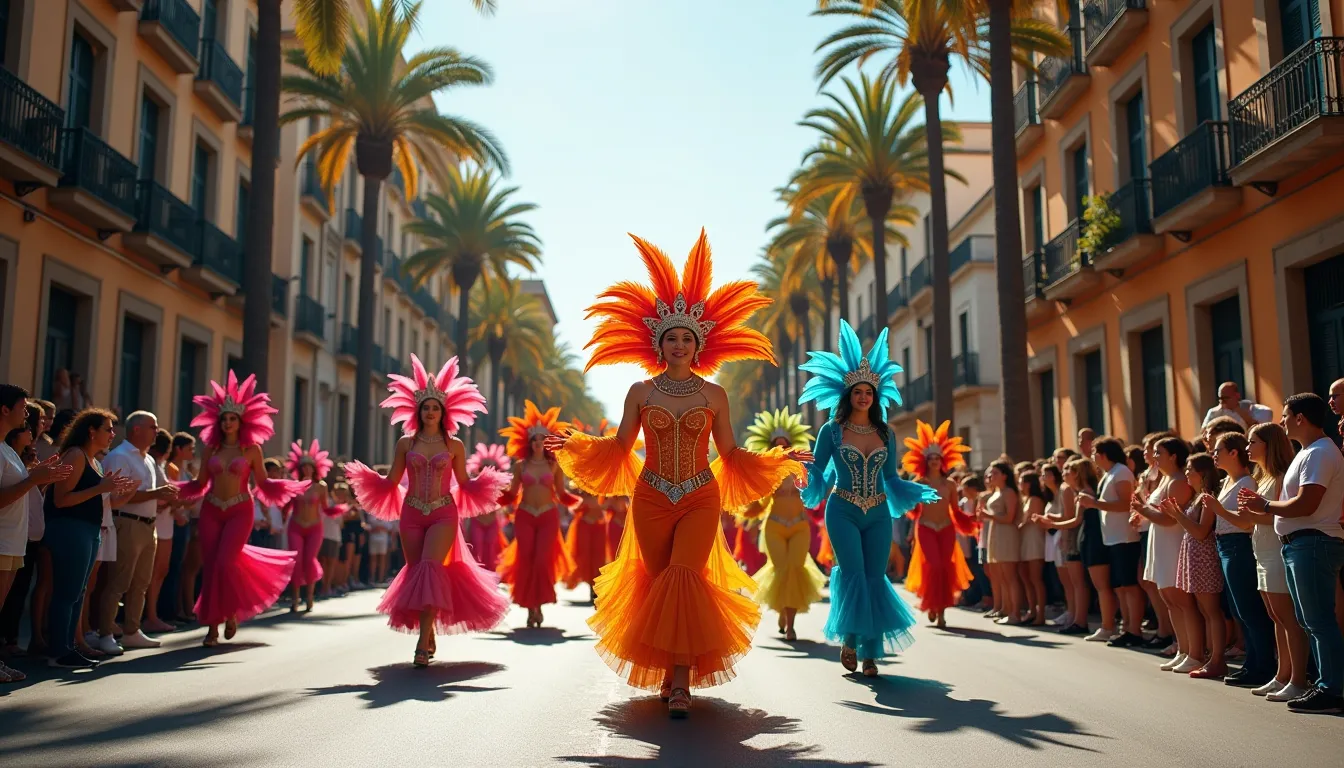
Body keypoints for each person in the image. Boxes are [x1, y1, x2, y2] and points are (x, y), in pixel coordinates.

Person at [546, 231, 807, 717]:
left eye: (688, 338)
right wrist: (577, 445)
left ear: (699, 344)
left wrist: (778, 459)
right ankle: (669, 671)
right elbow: (622, 446)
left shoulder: (714, 396)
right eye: (673, 338)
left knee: (686, 576)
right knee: (658, 579)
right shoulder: (640, 391)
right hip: (649, 497)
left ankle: (683, 681)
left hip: (700, 496)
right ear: (659, 345)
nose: (681, 344)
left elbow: (729, 451)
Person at [344, 356, 510, 667]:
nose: (430, 411)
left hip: (444, 513)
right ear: (417, 411)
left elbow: (463, 482)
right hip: (411, 514)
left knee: (431, 568)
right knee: (416, 573)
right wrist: (366, 479)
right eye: (425, 407)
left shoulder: (455, 445)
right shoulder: (406, 444)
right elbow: (392, 480)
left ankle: (422, 643)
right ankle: (428, 628)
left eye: (435, 406)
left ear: (444, 411)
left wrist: (489, 485)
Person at [797, 319, 935, 676]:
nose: (863, 397)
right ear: (848, 395)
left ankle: (871, 653)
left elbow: (890, 477)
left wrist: (913, 490)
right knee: (854, 573)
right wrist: (802, 469)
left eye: (868, 393)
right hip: (842, 509)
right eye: (857, 392)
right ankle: (850, 639)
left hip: (878, 512)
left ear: (875, 396)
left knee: (875, 576)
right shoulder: (832, 430)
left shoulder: (886, 433)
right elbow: (820, 470)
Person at [173, 372, 305, 647]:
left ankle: (231, 612)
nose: (228, 422)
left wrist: (288, 488)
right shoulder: (211, 448)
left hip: (239, 510)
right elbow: (199, 483)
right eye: (224, 418)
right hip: (211, 509)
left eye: (232, 418)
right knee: (210, 567)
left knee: (224, 561)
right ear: (218, 422)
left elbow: (264, 482)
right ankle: (211, 628)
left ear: (242, 421)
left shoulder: (251, 450)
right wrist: (174, 491)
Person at [1238, 394, 1344, 713]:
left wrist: (1265, 505)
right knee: (1310, 619)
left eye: (1285, 415)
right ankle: (1325, 684)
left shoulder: (1321, 452)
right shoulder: (1308, 452)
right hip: (1302, 544)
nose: (1281, 421)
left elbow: (1307, 503)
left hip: (1314, 542)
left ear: (1300, 418)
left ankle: (1331, 688)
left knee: (1318, 619)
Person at [43, 409, 137, 668]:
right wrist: (101, 488)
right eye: (107, 429)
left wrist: (118, 491)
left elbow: (98, 496)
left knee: (78, 592)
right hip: (69, 529)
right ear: (91, 431)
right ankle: (58, 651)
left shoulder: (94, 461)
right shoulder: (74, 455)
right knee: (67, 592)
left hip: (88, 530)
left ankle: (67, 648)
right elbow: (61, 500)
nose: (112, 434)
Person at [1, 392, 72, 680]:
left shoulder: (7, 450)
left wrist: (38, 475)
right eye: (22, 409)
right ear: (4, 410)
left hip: (13, 539)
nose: (27, 415)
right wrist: (33, 478)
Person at [97, 411, 180, 654]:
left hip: (148, 524)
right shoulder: (120, 457)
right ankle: (106, 633)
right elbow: (117, 497)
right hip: (127, 523)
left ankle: (132, 630)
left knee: (141, 582)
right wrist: (157, 494)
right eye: (153, 427)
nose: (157, 431)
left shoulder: (148, 459)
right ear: (136, 429)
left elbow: (151, 493)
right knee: (118, 582)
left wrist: (164, 497)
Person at [1242, 422, 1312, 700]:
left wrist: (1252, 512)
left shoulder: (1282, 476)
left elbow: (1280, 516)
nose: (1248, 448)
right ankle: (1282, 675)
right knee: (1275, 617)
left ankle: (1297, 679)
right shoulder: (1264, 477)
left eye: (1252, 442)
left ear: (1268, 445)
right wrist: (1249, 511)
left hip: (1277, 551)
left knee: (1288, 619)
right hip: (1262, 550)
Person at [743, 408, 825, 640]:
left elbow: (814, 494)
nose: (782, 448)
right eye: (777, 445)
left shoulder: (803, 468)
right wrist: (745, 511)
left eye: (785, 444)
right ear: (771, 448)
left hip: (800, 526)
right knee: (781, 570)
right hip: (774, 527)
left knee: (795, 570)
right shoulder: (766, 472)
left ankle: (790, 624)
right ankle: (782, 611)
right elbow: (759, 501)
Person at [1204, 431, 1277, 689]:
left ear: (1233, 453)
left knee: (1249, 609)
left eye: (1218, 450)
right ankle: (1252, 664)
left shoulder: (1247, 482)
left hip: (1239, 546)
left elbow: (1246, 524)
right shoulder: (1227, 481)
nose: (1213, 454)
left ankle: (1263, 666)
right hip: (1226, 546)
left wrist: (1219, 510)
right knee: (1239, 611)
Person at [497, 401, 579, 628]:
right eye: (535, 439)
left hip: (547, 516)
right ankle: (531, 607)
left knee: (542, 559)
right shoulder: (520, 467)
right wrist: (492, 494)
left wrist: (581, 497)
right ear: (528, 442)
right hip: (524, 515)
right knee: (527, 559)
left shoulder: (555, 466)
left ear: (548, 442)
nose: (539, 443)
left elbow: (562, 494)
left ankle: (539, 605)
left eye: (543, 439)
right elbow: (512, 494)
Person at [901, 420, 974, 629]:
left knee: (944, 567)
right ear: (925, 461)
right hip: (925, 527)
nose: (934, 461)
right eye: (930, 458)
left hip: (946, 528)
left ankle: (941, 610)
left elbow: (956, 510)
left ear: (943, 460)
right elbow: (913, 510)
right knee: (933, 566)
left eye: (937, 458)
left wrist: (971, 522)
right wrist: (906, 500)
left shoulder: (950, 484)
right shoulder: (920, 483)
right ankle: (931, 605)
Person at [1162, 453, 1227, 679]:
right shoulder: (1198, 496)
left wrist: (1177, 514)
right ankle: (1211, 657)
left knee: (1211, 611)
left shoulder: (1207, 497)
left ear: (1202, 473)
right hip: (1196, 559)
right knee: (1205, 611)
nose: (1186, 473)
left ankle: (1218, 659)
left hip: (1205, 559)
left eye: (1190, 469)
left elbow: (1201, 532)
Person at [1130, 437, 1191, 666]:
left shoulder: (1178, 481)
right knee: (1170, 601)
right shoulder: (1166, 479)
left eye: (1159, 452)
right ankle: (1182, 650)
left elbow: (1168, 520)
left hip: (1173, 546)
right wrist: (1142, 513)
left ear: (1173, 456)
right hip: (1161, 545)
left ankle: (1192, 653)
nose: (1154, 457)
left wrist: (1142, 508)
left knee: (1182, 602)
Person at [1078, 437, 1145, 646]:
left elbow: (1127, 504)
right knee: (1120, 586)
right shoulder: (1110, 474)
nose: (1092, 457)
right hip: (1113, 538)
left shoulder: (1122, 472)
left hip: (1125, 536)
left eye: (1094, 452)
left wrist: (1094, 503)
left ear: (1103, 454)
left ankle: (1134, 629)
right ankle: (1126, 627)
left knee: (1129, 585)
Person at [284, 440, 339, 613]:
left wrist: (339, 509)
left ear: (315, 468)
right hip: (296, 526)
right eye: (304, 467)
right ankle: (295, 598)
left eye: (310, 466)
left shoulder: (321, 487)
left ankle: (309, 596)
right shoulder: (294, 485)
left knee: (309, 560)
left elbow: (325, 508)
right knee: (297, 561)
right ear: (299, 469)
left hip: (315, 528)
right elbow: (286, 506)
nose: (307, 469)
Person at [564, 419, 615, 602]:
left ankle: (595, 586)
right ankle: (589, 585)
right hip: (584, 521)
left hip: (600, 521)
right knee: (584, 555)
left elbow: (614, 493)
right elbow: (573, 494)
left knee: (600, 555)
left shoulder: (607, 471)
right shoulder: (580, 471)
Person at [1034, 464, 1088, 633]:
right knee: (1067, 581)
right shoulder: (1056, 493)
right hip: (1059, 535)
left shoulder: (1065, 490)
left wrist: (1049, 519)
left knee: (1073, 582)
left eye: (1046, 474)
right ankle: (1071, 613)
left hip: (1066, 535)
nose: (1043, 477)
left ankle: (1075, 616)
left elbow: (1069, 515)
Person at [979, 460, 1022, 625]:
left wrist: (989, 516)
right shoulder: (996, 492)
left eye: (995, 473)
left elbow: (1009, 517)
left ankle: (1015, 613)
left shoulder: (1009, 492)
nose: (991, 476)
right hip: (995, 534)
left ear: (1004, 475)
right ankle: (1005, 608)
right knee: (1002, 577)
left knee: (1010, 576)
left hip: (1006, 535)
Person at [463, 443, 511, 572]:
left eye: (493, 468)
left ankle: (490, 574)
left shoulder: (500, 487)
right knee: (476, 547)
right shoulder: (474, 485)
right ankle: (476, 574)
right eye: (484, 467)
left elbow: (506, 502)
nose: (488, 471)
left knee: (490, 547)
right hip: (477, 521)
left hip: (492, 522)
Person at [1017, 468, 1049, 626]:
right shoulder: (1027, 499)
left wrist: (1016, 527)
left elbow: (1030, 520)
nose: (1019, 485)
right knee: (1027, 578)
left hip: (1034, 540)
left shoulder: (1035, 499)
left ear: (1029, 484)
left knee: (1036, 578)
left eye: (1021, 482)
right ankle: (1032, 610)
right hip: (1025, 541)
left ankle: (1041, 613)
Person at [1202, 381, 1272, 431]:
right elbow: (1203, 431)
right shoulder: (1213, 412)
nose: (1222, 401)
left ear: (1237, 396)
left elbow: (1257, 429)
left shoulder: (1248, 408)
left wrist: (1237, 409)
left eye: (1226, 398)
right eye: (1220, 398)